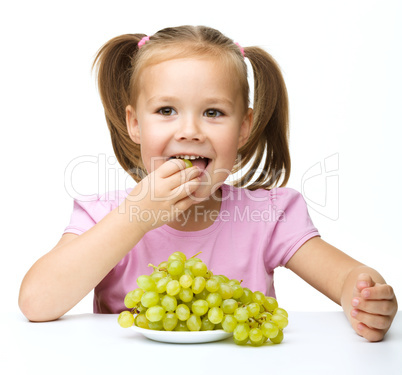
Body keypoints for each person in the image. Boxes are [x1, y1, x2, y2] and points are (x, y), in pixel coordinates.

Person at [18, 25, 397, 341]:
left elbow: (348, 277)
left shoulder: (269, 216)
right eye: (166, 110)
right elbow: (36, 302)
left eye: (213, 112)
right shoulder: (102, 214)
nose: (190, 131)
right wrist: (134, 218)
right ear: (135, 123)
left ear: (244, 127)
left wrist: (365, 297)